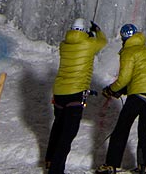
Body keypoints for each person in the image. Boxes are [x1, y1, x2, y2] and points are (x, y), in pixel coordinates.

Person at [96, 24, 146, 174]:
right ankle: (144, 165)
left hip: (140, 93)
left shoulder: (129, 51)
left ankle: (110, 165)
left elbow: (124, 78)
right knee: (144, 130)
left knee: (121, 128)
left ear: (124, 38)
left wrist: (111, 90)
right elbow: (142, 75)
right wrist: (125, 90)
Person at [45, 18, 107, 174]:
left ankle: (49, 160)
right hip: (75, 94)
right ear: (83, 31)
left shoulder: (64, 45)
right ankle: (56, 170)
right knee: (68, 134)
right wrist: (96, 31)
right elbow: (103, 41)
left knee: (58, 128)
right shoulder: (88, 44)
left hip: (59, 92)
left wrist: (88, 36)